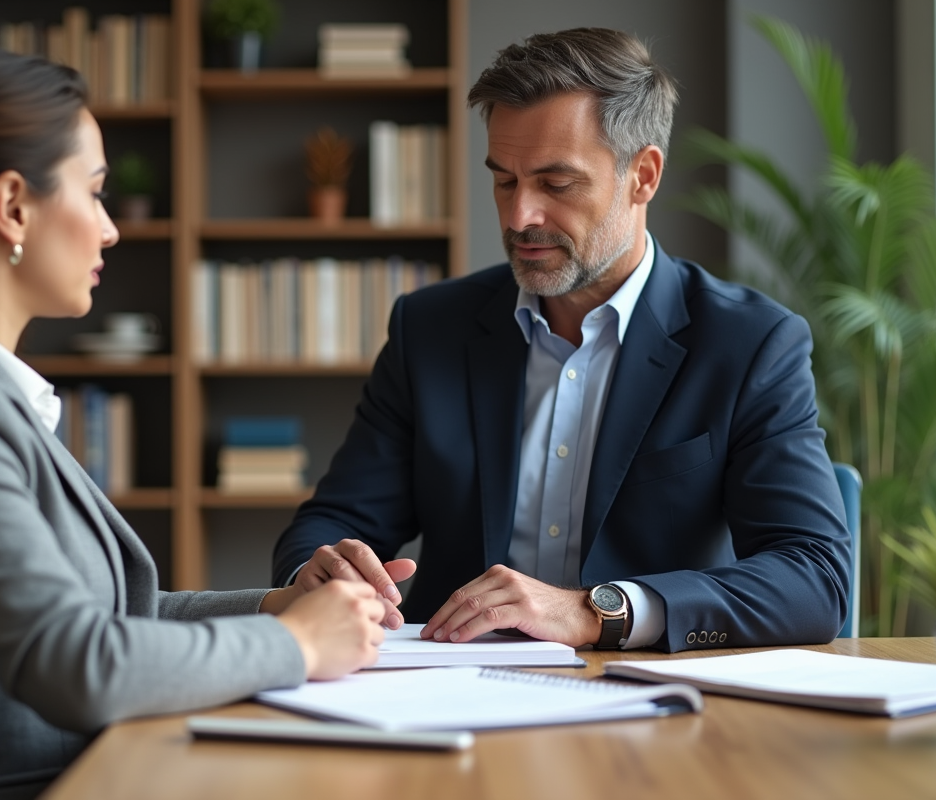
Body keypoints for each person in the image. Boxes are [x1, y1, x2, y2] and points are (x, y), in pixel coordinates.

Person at [0, 47, 386, 800]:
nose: (110, 230)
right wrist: (296, 643)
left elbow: (115, 618)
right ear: (12, 206)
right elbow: (76, 665)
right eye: (95, 194)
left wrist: (277, 606)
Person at [272, 27, 851, 653]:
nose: (520, 217)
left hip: (649, 708)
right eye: (504, 181)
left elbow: (814, 577)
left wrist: (599, 610)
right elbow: (332, 523)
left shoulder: (749, 343)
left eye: (556, 184)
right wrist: (318, 570)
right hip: (452, 693)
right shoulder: (430, 328)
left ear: (643, 176)